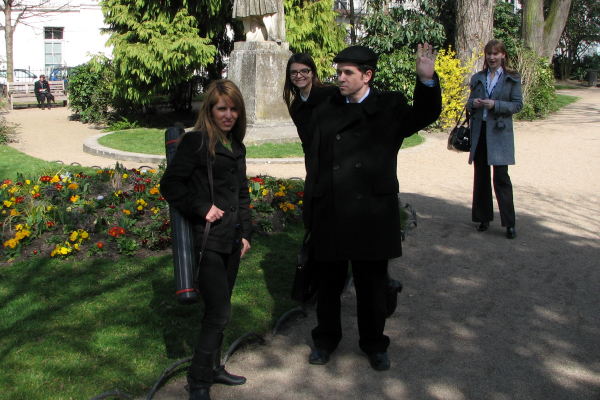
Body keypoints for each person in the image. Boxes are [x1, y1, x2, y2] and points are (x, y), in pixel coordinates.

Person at [302, 44, 442, 370]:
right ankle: (325, 340)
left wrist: (426, 79)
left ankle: (375, 344)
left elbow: (425, 114)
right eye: (338, 72)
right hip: (332, 211)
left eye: (347, 72)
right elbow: (315, 163)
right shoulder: (325, 109)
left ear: (367, 75)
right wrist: (312, 207)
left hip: (372, 213)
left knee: (372, 286)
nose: (340, 78)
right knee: (328, 285)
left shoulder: (389, 106)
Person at [283, 52, 403, 317]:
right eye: (294, 73)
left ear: (313, 72)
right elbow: (308, 142)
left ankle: (382, 291)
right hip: (322, 166)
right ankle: (327, 330)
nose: (299, 76)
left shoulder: (331, 96)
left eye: (304, 71)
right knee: (330, 276)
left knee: (368, 272)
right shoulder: (297, 106)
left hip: (352, 177)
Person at [160, 79, 253, 400]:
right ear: (210, 111)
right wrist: (202, 207)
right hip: (207, 241)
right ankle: (198, 382)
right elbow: (170, 185)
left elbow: (242, 193)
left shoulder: (236, 145)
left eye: (233, 109)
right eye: (221, 108)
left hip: (232, 241)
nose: (228, 115)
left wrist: (246, 233)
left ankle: (213, 368)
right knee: (219, 312)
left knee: (218, 309)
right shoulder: (196, 142)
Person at [466, 39, 523, 239]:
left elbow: (517, 105)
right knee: (481, 177)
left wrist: (495, 105)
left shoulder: (512, 78)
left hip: (499, 134)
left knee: (501, 178)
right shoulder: (478, 77)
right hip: (480, 133)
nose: (492, 57)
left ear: (503, 55)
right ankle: (483, 218)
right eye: (489, 53)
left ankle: (509, 223)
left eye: (496, 54)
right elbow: (468, 104)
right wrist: (474, 103)